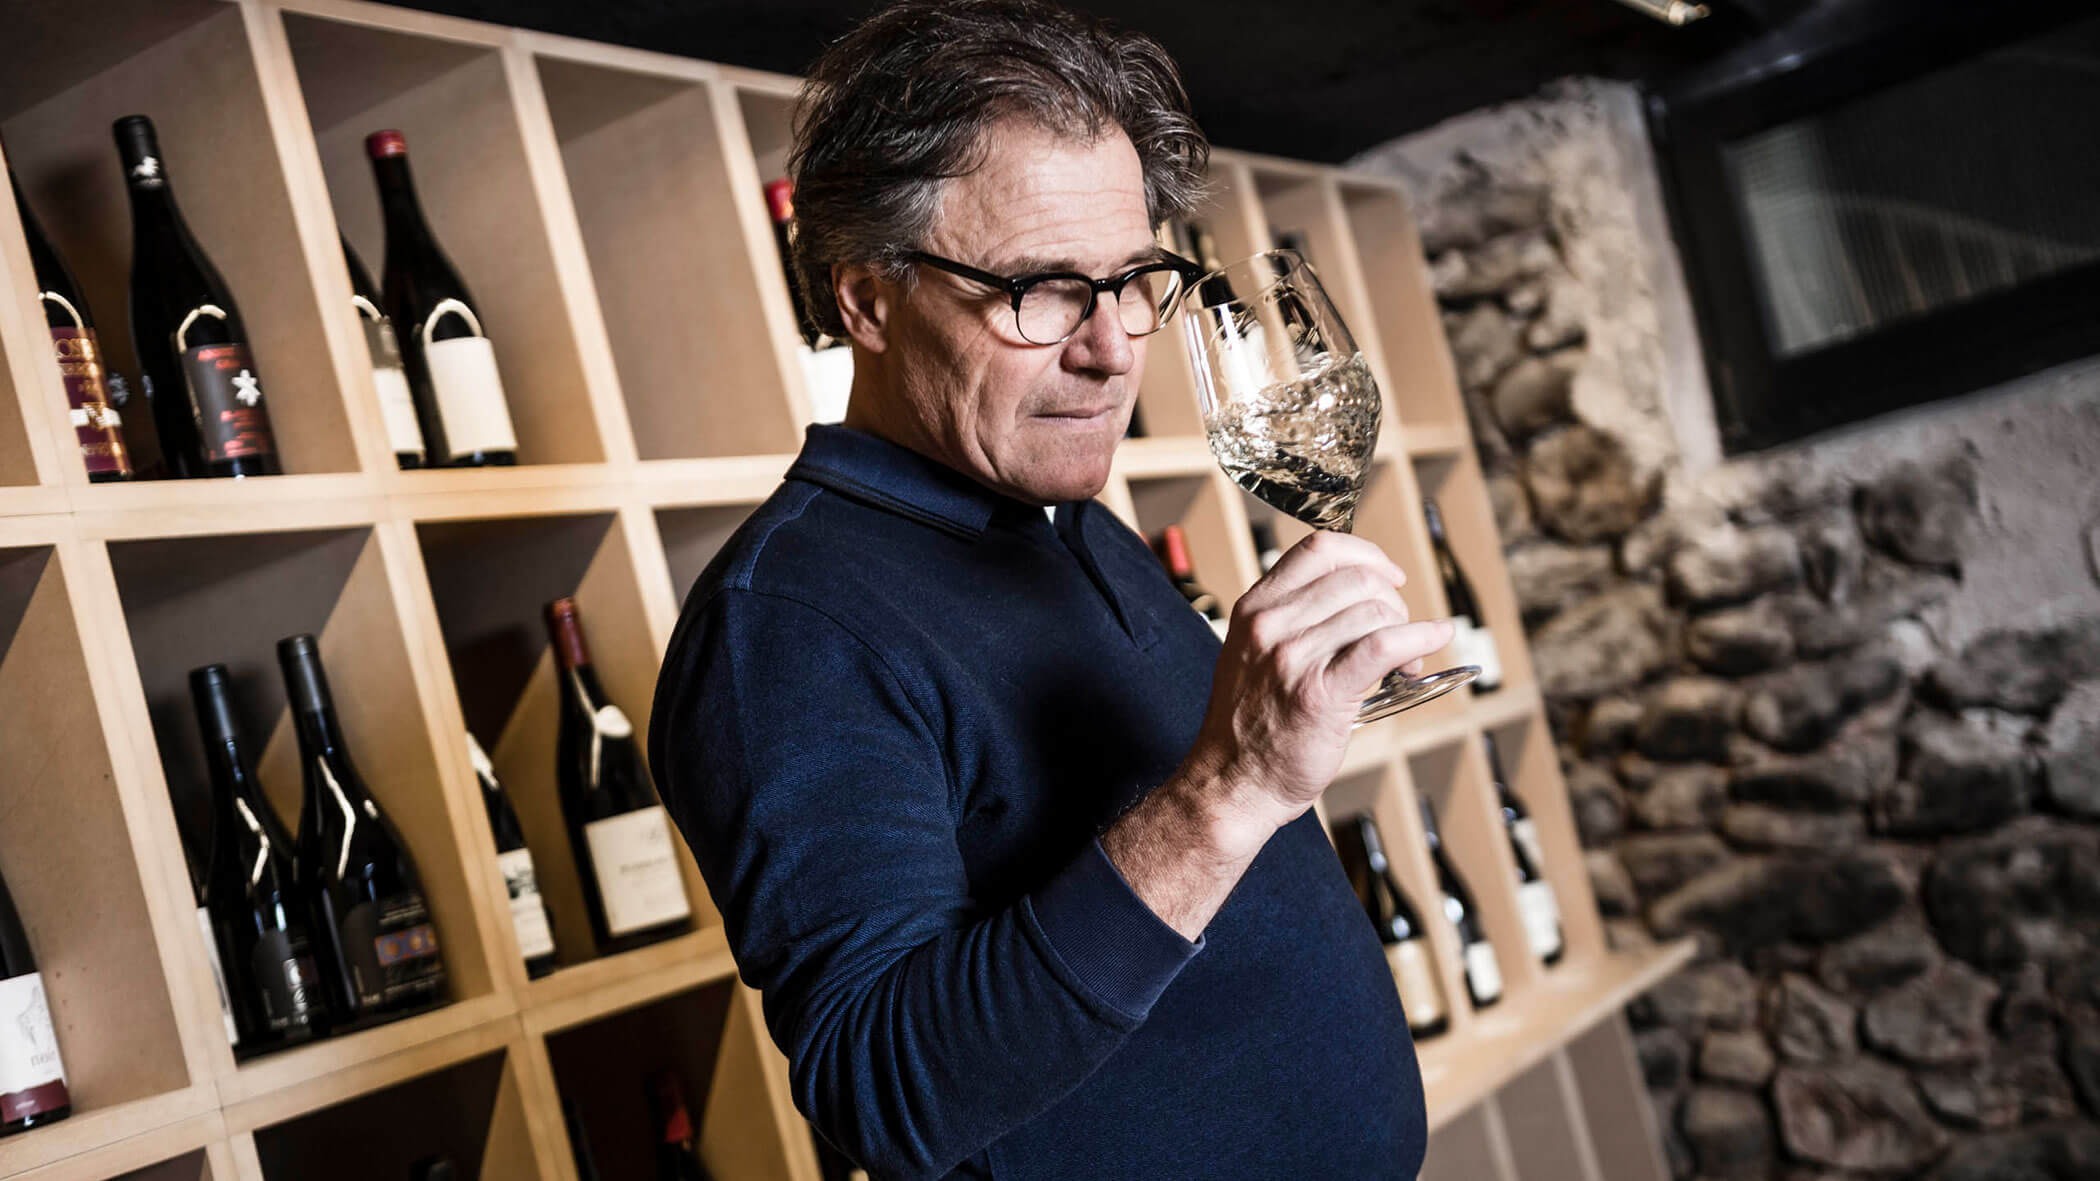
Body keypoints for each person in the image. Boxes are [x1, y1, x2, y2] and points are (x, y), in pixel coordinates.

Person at [648, 2, 1451, 1176]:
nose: (1113, 347)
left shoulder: (1056, 509)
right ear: (866, 298)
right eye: (1040, 290)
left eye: (1131, 281)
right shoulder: (789, 625)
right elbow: (885, 1088)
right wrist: (1230, 787)